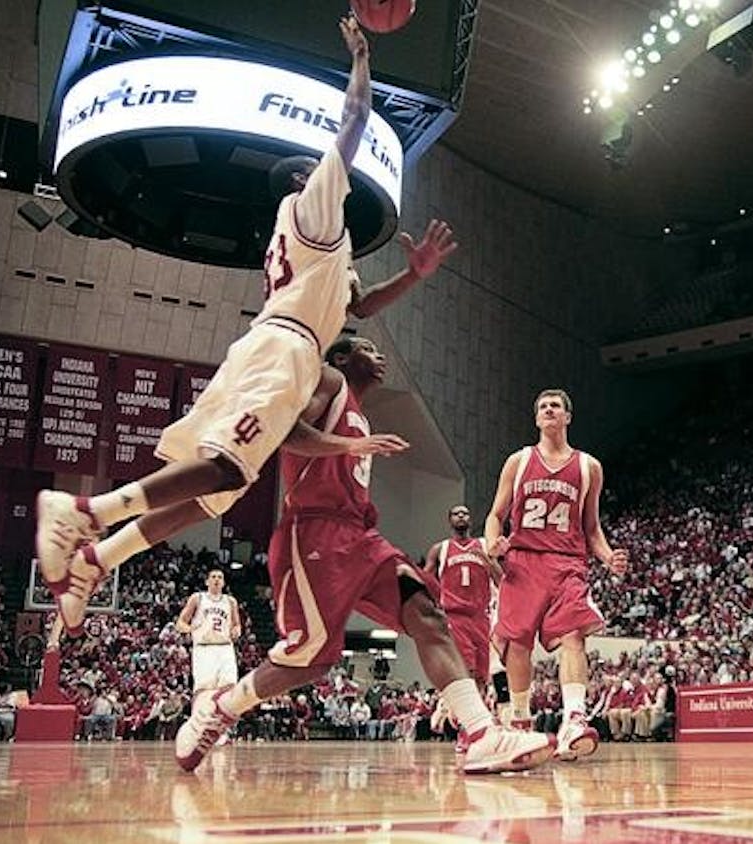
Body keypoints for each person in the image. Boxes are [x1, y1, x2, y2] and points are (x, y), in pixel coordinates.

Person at [32, 14, 458, 632]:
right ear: (300, 178)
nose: (330, 171)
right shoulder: (310, 206)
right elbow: (354, 120)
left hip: (275, 345)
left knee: (209, 494)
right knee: (229, 470)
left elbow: (360, 307)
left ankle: (98, 557)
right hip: (282, 350)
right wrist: (362, 59)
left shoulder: (326, 252)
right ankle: (83, 512)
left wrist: (414, 275)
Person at [172, 338, 552, 774]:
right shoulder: (329, 381)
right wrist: (347, 446)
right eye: (367, 348)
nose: (380, 355)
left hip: (362, 538)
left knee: (426, 614)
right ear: (340, 358)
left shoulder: (359, 412)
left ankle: (481, 733)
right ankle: (222, 707)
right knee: (310, 660)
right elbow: (284, 430)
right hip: (314, 532)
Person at [484, 389, 629, 761]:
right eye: (543, 407)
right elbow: (496, 515)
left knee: (574, 636)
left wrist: (608, 556)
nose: (549, 410)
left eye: (556, 406)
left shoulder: (588, 467)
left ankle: (574, 720)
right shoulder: (518, 461)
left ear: (567, 417)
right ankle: (520, 723)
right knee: (518, 643)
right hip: (523, 561)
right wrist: (492, 544)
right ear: (537, 419)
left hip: (568, 563)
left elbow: (592, 527)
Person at [423, 504, 501, 750]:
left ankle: (470, 724)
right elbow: (426, 581)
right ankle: (467, 731)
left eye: (466, 513)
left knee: (480, 676)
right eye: (456, 513)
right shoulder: (441, 549)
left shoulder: (483, 546)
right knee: (465, 672)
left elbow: (501, 580)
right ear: (449, 520)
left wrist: (488, 562)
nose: (461, 516)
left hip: (481, 617)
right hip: (454, 616)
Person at [175, 570, 241, 699]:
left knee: (229, 687)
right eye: (213, 577)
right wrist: (190, 629)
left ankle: (221, 718)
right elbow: (180, 624)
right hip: (204, 648)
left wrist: (237, 630)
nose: (216, 579)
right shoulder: (198, 598)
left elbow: (237, 625)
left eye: (220, 577)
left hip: (225, 647)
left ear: (223, 582)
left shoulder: (230, 601)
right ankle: (201, 717)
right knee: (204, 690)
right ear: (207, 582)